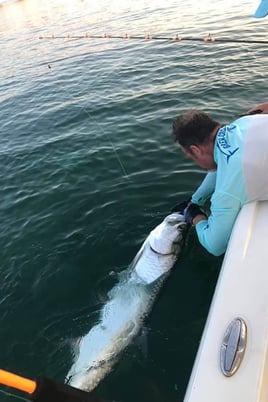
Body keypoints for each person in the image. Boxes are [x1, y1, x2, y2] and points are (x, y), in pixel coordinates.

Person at [172, 103, 268, 256]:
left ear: (196, 150)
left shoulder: (227, 191)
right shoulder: (244, 122)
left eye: (191, 157)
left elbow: (215, 245)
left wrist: (195, 216)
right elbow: (224, 165)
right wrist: (195, 200)